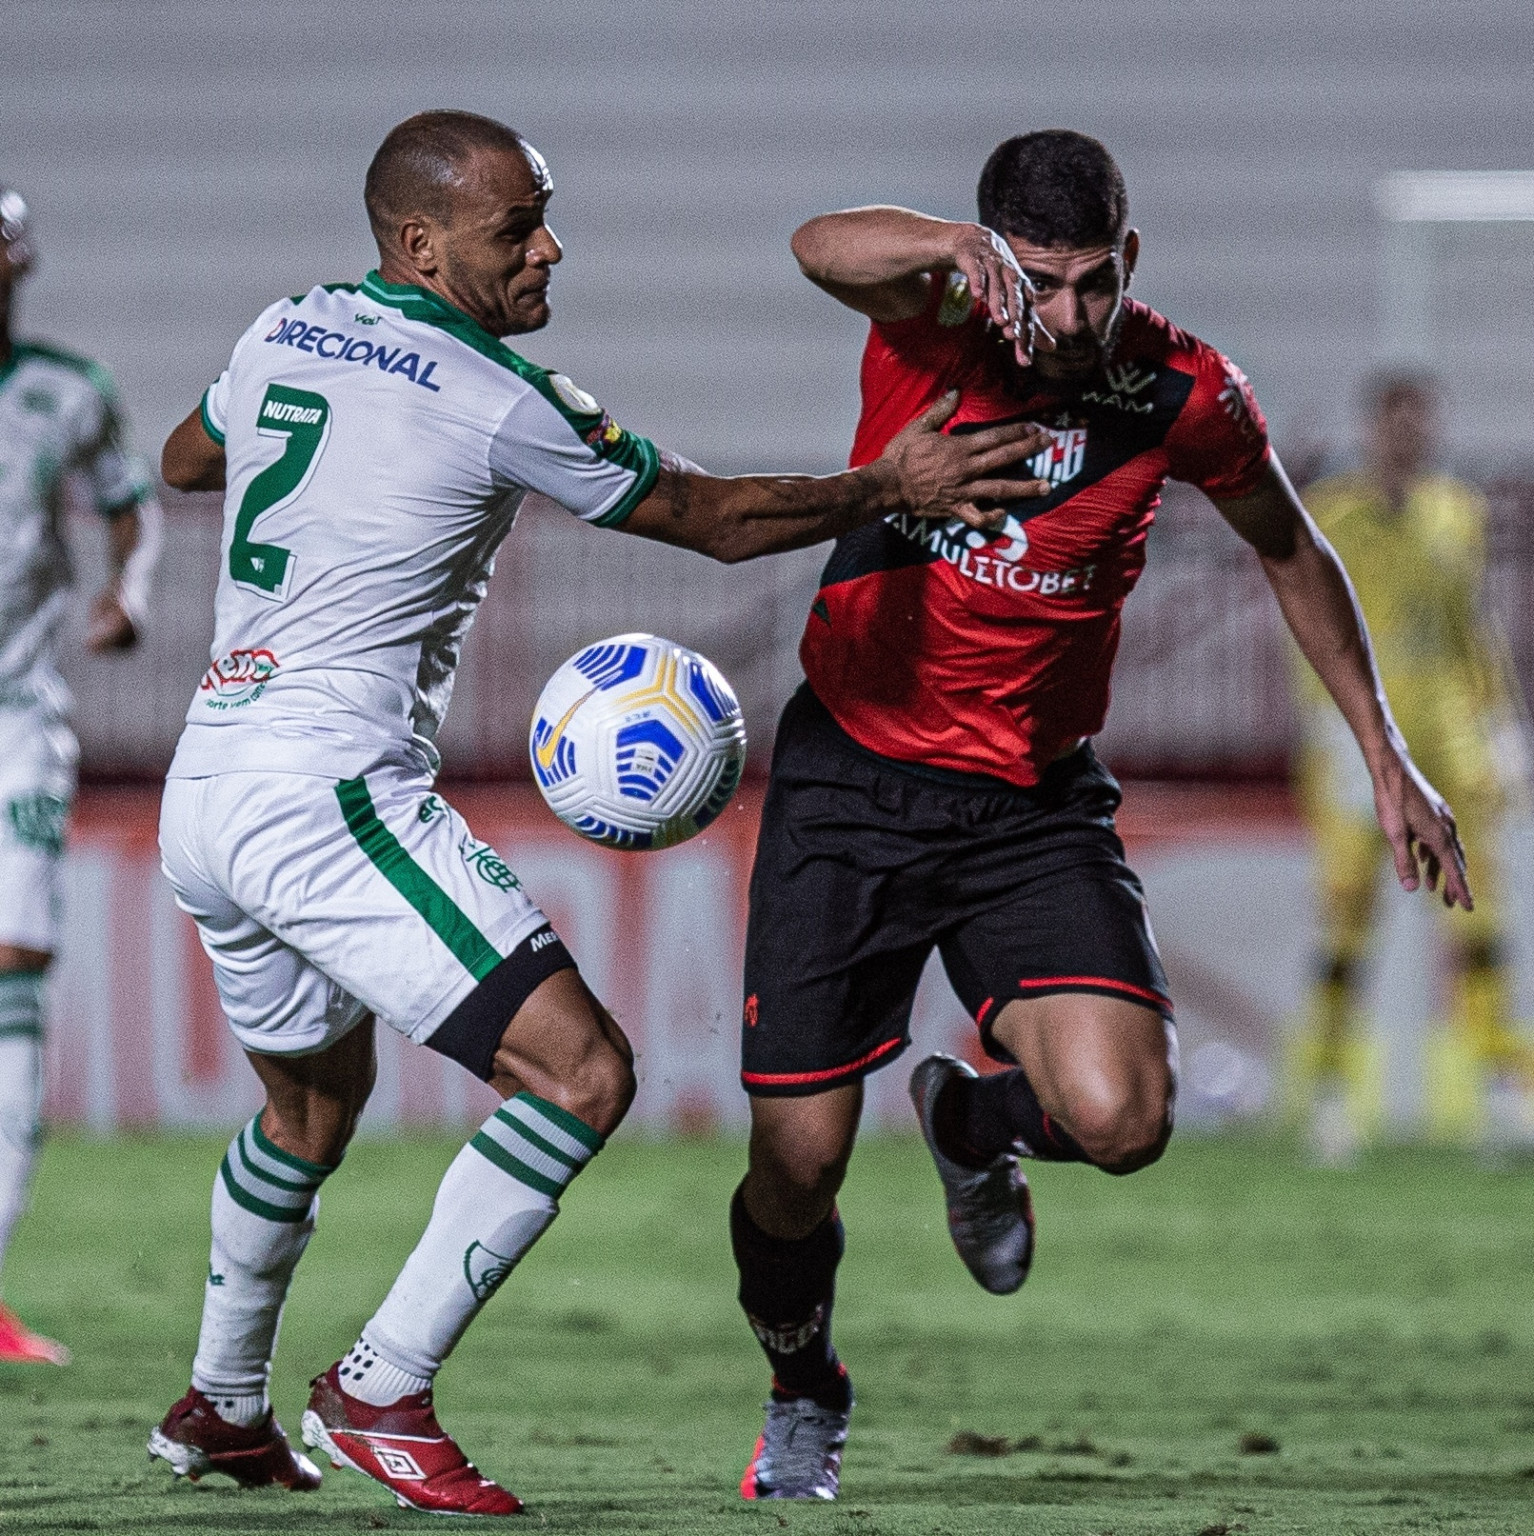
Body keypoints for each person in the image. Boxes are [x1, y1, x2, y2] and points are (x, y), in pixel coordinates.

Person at [144, 110, 1048, 1516]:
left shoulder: (289, 325)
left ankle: (222, 1402)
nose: (549, 245)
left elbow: (187, 465)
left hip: (205, 787)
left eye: (546, 213)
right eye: (518, 227)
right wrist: (887, 484)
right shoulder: (497, 392)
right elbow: (708, 517)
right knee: (580, 1076)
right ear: (419, 242)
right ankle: (381, 1385)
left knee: (310, 1107)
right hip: (326, 797)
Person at [729, 130, 1471, 1501]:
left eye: (1090, 284)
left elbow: (1289, 547)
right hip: (854, 782)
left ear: (1125, 262)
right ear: (995, 255)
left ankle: (970, 1126)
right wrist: (952, 254)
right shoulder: (937, 320)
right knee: (795, 1164)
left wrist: (1385, 751)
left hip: (1029, 805)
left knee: (1126, 1121)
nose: (1066, 316)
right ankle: (804, 1389)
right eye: (1041, 281)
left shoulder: (1185, 389)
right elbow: (815, 245)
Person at [0, 186, 160, 1368]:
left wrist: (130, 593)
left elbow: (130, 506)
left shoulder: (67, 389)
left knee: (12, 972)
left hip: (16, 720)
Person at [1292, 372, 1531, 1161]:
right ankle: (1328, 1094)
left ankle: (1505, 1093)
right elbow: (1310, 631)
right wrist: (1331, 734)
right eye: (1396, 420)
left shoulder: (1457, 512)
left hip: (1454, 748)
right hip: (1362, 753)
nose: (1409, 434)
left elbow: (1473, 628)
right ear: (1373, 428)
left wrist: (1502, 726)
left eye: (1420, 420)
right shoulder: (1332, 516)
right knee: (1348, 928)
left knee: (1478, 922)